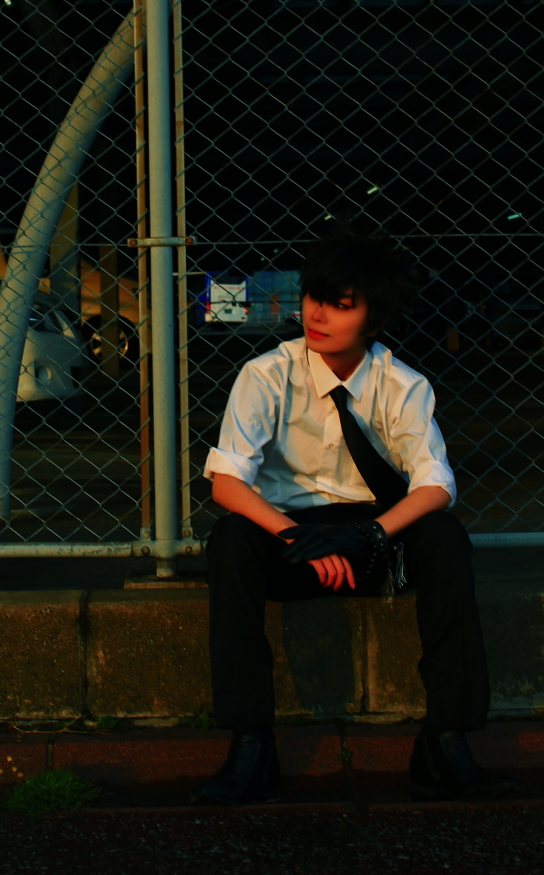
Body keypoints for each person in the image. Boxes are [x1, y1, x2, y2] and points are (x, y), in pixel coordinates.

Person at [194, 230, 520, 805]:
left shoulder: (402, 385)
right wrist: (299, 537)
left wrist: (367, 535)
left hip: (373, 542)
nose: (317, 315)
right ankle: (250, 745)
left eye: (341, 305)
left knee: (445, 538)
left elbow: (436, 485)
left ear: (375, 321)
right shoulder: (266, 375)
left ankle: (446, 742)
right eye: (314, 298)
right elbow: (227, 482)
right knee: (230, 540)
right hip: (289, 540)